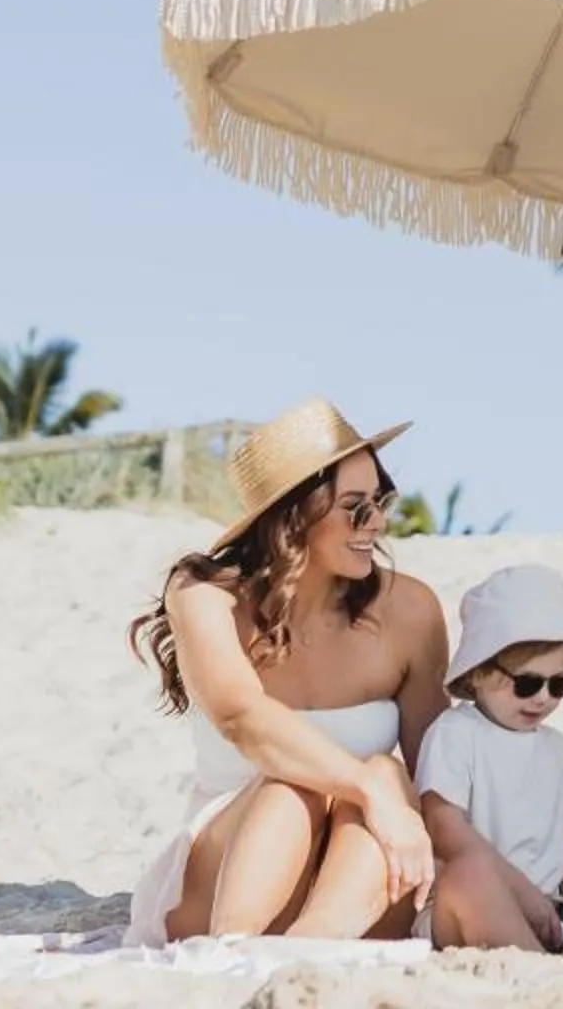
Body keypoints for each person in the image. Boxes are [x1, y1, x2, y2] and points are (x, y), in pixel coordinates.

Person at [122, 400, 449, 946]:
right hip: (227, 875)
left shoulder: (409, 612)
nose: (377, 522)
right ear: (295, 515)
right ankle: (238, 952)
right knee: (296, 783)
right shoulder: (206, 596)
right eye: (354, 507)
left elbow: (438, 769)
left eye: (379, 502)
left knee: (391, 778)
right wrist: (366, 784)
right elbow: (242, 719)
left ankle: (309, 950)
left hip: (358, 888)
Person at [417, 564, 563, 950]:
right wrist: (521, 892)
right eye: (527, 683)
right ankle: (538, 968)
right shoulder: (455, 734)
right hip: (474, 907)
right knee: (471, 874)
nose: (544, 698)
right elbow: (447, 833)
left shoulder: (554, 747)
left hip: (553, 909)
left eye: (560, 683)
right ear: (477, 674)